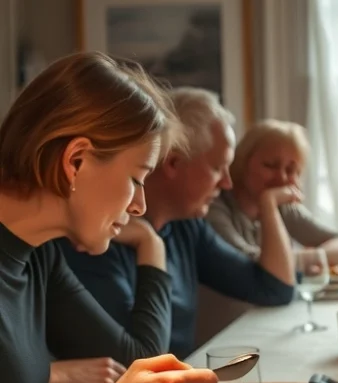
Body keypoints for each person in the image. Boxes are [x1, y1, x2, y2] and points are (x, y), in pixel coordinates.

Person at [0, 51, 217, 383]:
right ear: (76, 161)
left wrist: (152, 245)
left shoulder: (39, 255)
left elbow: (138, 362)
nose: (140, 206)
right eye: (136, 178)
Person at [60, 89, 296, 360]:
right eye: (218, 168)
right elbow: (138, 362)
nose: (227, 183)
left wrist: (268, 206)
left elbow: (274, 289)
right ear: (173, 162)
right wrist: (150, 244)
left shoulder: (187, 227)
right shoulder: (97, 240)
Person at [207, 119, 338, 265]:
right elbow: (247, 265)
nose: (282, 177)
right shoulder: (214, 206)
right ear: (242, 162)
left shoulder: (283, 208)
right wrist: (311, 260)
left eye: (291, 170)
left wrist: (309, 258)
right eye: (270, 165)